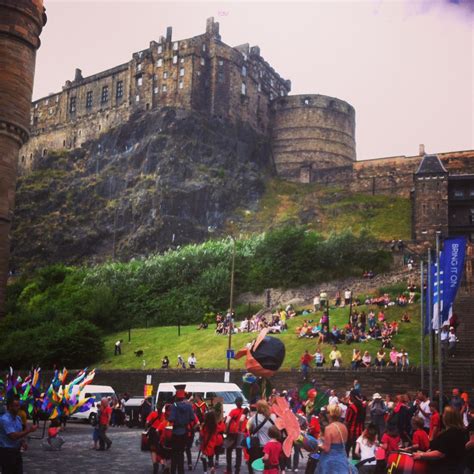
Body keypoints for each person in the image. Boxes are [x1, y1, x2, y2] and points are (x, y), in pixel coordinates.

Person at [413, 406, 469, 473]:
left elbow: (440, 453)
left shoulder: (451, 433)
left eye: (444, 414)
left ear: (448, 418)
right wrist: (424, 453)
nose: (442, 415)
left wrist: (421, 455)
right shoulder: (458, 431)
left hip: (446, 469)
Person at [0, 395, 38, 473]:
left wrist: (23, 441)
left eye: (18, 405)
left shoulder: (18, 419)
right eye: (16, 406)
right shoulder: (5, 419)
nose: (18, 408)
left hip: (16, 451)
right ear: (10, 407)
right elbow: (13, 436)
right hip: (6, 451)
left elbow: (19, 432)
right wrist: (29, 430)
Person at [316, 403, 357, 473]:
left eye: (327, 412)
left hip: (330, 462)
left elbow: (327, 449)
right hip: (342, 459)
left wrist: (318, 445)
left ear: (330, 414)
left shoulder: (329, 428)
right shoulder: (344, 427)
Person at [169, 385, 195, 474]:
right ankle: (181, 471)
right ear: (183, 396)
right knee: (181, 453)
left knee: (174, 454)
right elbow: (192, 418)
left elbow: (171, 419)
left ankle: (173, 471)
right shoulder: (189, 406)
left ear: (176, 396)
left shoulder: (174, 405)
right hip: (185, 432)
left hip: (176, 432)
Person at [247, 400, 277, 474]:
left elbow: (250, 428)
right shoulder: (273, 416)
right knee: (271, 467)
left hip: (260, 447)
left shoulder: (255, 417)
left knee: (258, 467)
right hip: (272, 446)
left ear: (258, 407)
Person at [225, 397, 245, 474]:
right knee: (239, 451)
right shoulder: (244, 411)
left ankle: (229, 469)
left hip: (232, 433)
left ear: (236, 403)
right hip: (240, 432)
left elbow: (227, 421)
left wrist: (225, 431)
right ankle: (237, 470)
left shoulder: (233, 411)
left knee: (229, 450)